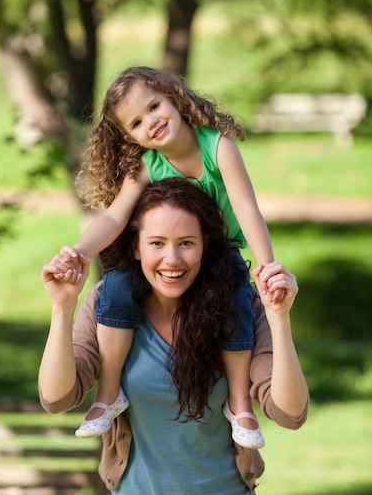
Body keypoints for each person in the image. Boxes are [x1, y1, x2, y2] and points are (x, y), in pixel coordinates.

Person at [39, 178, 309, 495]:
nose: (172, 259)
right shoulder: (109, 308)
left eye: (186, 243)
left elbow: (291, 412)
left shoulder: (239, 309)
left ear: (206, 246)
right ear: (135, 246)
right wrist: (62, 307)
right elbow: (57, 398)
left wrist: (279, 318)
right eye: (156, 243)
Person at [55, 66, 282, 447]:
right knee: (116, 286)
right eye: (137, 122)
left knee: (238, 297)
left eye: (154, 106)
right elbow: (114, 216)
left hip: (218, 253)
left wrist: (266, 266)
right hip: (169, 261)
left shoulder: (217, 147)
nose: (152, 122)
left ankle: (240, 402)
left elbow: (246, 209)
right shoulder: (147, 166)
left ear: (174, 97)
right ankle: (108, 393)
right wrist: (78, 252)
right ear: (129, 137)